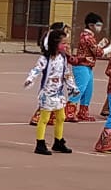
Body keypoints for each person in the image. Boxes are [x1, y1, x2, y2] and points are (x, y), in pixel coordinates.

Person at [25, 26, 76, 155]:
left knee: (61, 117)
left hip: (58, 93)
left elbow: (66, 73)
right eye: (63, 43)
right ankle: (40, 143)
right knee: (44, 118)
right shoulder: (45, 59)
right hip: (47, 93)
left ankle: (58, 141)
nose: (66, 46)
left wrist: (72, 87)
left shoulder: (63, 58)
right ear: (54, 43)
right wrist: (30, 79)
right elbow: (36, 70)